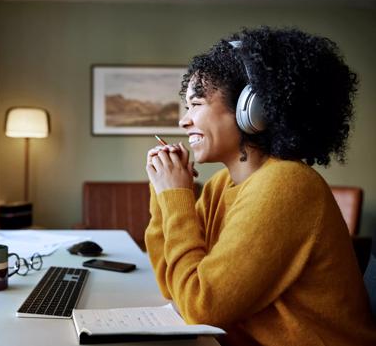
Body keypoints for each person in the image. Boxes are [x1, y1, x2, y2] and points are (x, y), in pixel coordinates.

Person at [144, 26, 376, 346]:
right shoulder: (220, 186)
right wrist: (163, 196)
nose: (183, 121)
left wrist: (176, 196)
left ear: (252, 109)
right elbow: (175, 287)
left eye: (196, 105)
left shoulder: (287, 184)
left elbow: (201, 306)